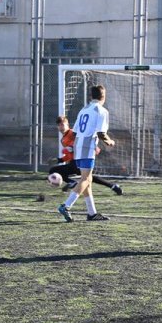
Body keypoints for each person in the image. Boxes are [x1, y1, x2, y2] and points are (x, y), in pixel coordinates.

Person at [57, 85, 115, 222]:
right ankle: (66, 206)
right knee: (86, 179)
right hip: (88, 146)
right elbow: (101, 133)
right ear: (103, 96)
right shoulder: (102, 111)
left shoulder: (84, 110)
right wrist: (109, 141)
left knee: (87, 180)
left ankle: (92, 213)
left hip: (78, 145)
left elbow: (75, 131)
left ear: (91, 96)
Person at [48, 115, 122, 195]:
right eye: (59, 125)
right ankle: (113, 186)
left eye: (62, 124)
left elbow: (80, 141)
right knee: (88, 177)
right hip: (75, 162)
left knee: (54, 170)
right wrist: (60, 160)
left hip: (81, 159)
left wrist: (71, 147)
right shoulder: (63, 140)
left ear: (67, 125)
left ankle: (72, 182)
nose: (61, 127)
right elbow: (70, 155)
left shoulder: (73, 133)